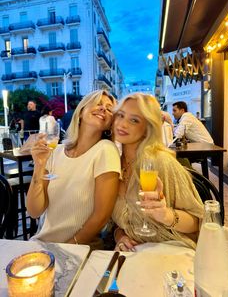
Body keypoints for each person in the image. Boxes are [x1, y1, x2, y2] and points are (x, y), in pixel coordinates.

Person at [26, 90, 121, 249]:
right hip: (42, 245)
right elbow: (35, 211)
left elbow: (101, 216)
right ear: (81, 112)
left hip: (78, 249)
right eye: (98, 104)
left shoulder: (106, 150)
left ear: (111, 123)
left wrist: (68, 248)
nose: (103, 109)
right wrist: (39, 167)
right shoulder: (55, 151)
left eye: (109, 109)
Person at [112, 93, 204, 251]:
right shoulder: (113, 165)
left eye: (134, 120)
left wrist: (166, 215)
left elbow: (198, 221)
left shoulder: (160, 162)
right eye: (120, 115)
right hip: (133, 254)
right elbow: (121, 222)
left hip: (171, 250)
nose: (123, 124)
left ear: (148, 128)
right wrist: (120, 236)